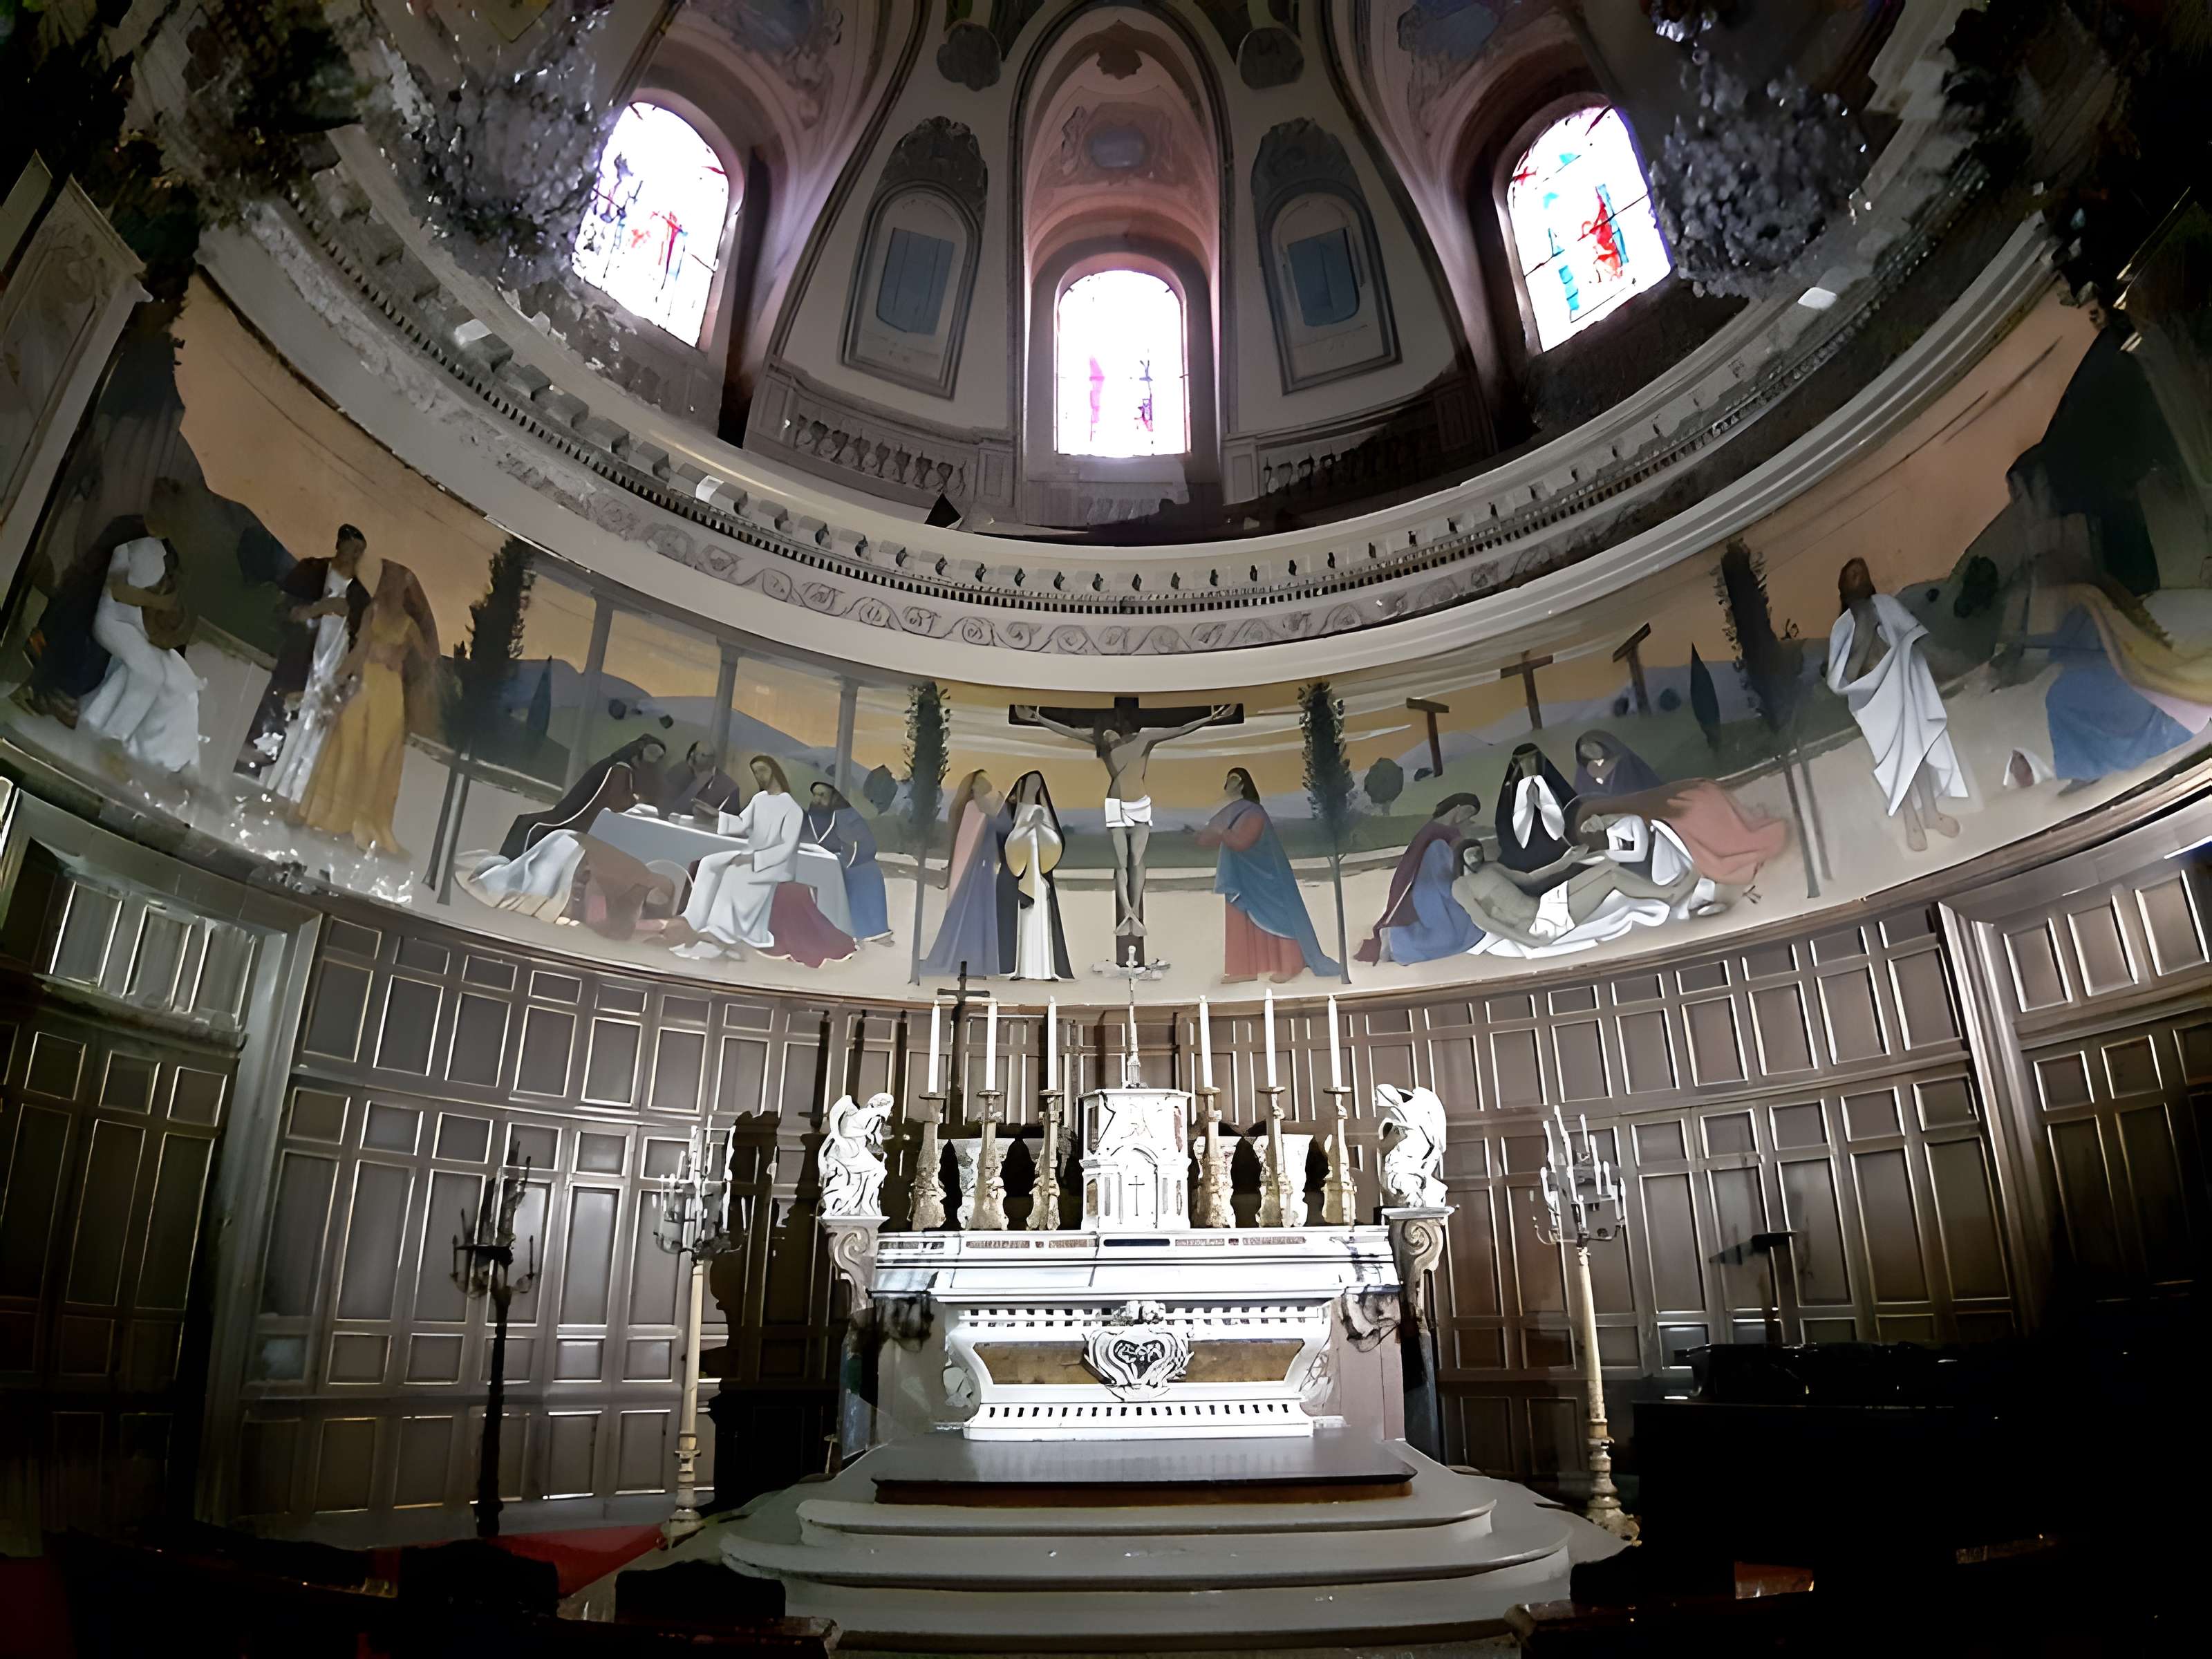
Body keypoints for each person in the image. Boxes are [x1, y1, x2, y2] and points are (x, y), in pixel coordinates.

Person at [1013, 702, 1234, 941]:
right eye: (1103, 736)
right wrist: (1039, 718)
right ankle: (1126, 911)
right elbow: (1068, 731)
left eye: (1109, 733)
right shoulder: (1103, 743)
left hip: (1139, 804)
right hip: (1114, 804)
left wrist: (1210, 718)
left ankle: (1135, 910)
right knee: (1121, 861)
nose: (1107, 738)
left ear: (1119, 726)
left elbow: (1180, 729)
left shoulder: (1144, 739)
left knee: (1137, 859)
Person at [1826, 556, 1969, 852]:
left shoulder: (1886, 606)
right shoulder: (1843, 627)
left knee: (1919, 752)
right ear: (1843, 588)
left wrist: (1949, 664)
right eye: (1851, 574)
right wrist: (1865, 631)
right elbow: (1842, 678)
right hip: (1875, 705)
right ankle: (1910, 821)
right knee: (1896, 762)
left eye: (1860, 572)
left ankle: (1930, 813)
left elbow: (1914, 637)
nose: (1857, 576)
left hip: (1903, 689)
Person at [297, 561, 440, 855]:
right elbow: (360, 650)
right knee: (347, 744)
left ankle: (361, 824)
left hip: (388, 691)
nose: (388, 585)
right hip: (365, 685)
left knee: (376, 754)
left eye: (393, 580)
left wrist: (408, 649)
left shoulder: (408, 624)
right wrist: (336, 681)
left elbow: (429, 656)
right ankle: (334, 817)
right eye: (386, 579)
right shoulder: (372, 610)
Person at [674, 757, 853, 967]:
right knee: (709, 864)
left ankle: (720, 934)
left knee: (733, 875)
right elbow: (742, 824)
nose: (759, 776)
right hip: (751, 854)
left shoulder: (792, 809)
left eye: (763, 770)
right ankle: (694, 920)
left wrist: (754, 859)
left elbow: (786, 848)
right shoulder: (759, 799)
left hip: (775, 865)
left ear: (775, 772)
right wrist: (717, 816)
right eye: (756, 772)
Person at [241, 525, 371, 785]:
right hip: (295, 663)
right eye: (352, 548)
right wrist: (316, 609)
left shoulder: (360, 595)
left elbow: (361, 640)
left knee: (299, 737)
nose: (355, 556)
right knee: (272, 723)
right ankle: (251, 771)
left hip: (327, 674)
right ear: (339, 544)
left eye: (360, 551)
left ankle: (278, 783)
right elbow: (283, 611)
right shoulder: (312, 571)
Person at [1194, 767, 1338, 983]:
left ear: (1243, 784)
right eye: (1228, 780)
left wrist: (1223, 832)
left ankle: (1291, 964)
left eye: (1235, 779)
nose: (1230, 784)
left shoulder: (1254, 812)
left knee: (1279, 918)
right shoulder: (1231, 811)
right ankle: (1244, 969)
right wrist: (1210, 833)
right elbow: (1205, 839)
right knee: (1239, 919)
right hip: (1242, 877)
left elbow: (1243, 842)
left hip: (1266, 878)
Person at [79, 525, 203, 774]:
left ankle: (106, 727)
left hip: (135, 625)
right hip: (113, 618)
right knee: (150, 672)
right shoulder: (131, 545)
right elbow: (119, 591)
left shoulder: (162, 552)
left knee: (171, 673)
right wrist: (160, 602)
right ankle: (113, 739)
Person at [1454, 839, 1676, 959]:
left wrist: (1566, 860)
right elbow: (1483, 921)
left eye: (1478, 852)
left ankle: (1663, 887)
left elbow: (1530, 879)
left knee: (1609, 867)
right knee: (1612, 879)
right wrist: (1529, 941)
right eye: (1470, 853)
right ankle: (1669, 894)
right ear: (1460, 857)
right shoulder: (1461, 886)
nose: (1476, 856)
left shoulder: (1492, 868)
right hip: (1539, 925)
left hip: (1545, 904)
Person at [458, 831, 690, 943]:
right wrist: (660, 926)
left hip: (565, 854)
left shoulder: (637, 884)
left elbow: (616, 923)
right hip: (562, 866)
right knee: (506, 888)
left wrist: (659, 926)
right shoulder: (636, 880)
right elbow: (600, 916)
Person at [1353, 794, 1484, 966]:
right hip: (1429, 891)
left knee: (1468, 927)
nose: (1467, 818)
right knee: (1450, 933)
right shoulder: (1434, 834)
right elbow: (1417, 863)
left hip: (1445, 888)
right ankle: (1398, 941)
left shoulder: (1453, 833)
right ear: (1458, 807)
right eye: (1468, 812)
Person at [500, 736, 667, 860]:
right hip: (577, 822)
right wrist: (637, 800)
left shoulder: (616, 765)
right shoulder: (620, 770)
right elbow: (617, 804)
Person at [921, 769, 1013, 978]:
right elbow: (986, 833)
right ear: (973, 787)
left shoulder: (984, 808)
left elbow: (1004, 828)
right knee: (972, 915)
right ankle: (968, 959)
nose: (986, 785)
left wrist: (1001, 807)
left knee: (981, 915)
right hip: (974, 872)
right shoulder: (973, 808)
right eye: (981, 783)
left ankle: (978, 960)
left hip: (983, 870)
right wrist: (1002, 805)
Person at [1002, 771, 1072, 981]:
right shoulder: (1019, 811)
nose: (1034, 787)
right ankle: (1022, 969)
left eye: (1037, 784)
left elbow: (1052, 839)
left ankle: (1044, 970)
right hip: (1024, 875)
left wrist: (1037, 827)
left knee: (1041, 924)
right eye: (1031, 783)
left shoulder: (1042, 811)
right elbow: (1013, 839)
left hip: (1039, 876)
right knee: (1023, 925)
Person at [803, 782, 892, 944]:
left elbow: (863, 843)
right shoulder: (810, 816)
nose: (817, 799)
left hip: (852, 860)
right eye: (815, 795)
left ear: (834, 796)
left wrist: (844, 860)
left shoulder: (848, 815)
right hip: (822, 860)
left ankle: (871, 931)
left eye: (822, 795)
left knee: (866, 873)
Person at [1494, 744, 1577, 877]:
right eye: (1523, 761)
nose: (1528, 765)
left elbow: (1573, 807)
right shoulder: (1510, 793)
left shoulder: (1552, 781)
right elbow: (1503, 825)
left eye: (1532, 759)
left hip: (1561, 846)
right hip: (1526, 855)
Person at [657, 742, 744, 820]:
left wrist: (714, 814)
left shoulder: (730, 788)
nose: (692, 756)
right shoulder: (678, 771)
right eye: (693, 753)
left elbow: (731, 824)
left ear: (712, 760)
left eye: (700, 755)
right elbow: (663, 805)